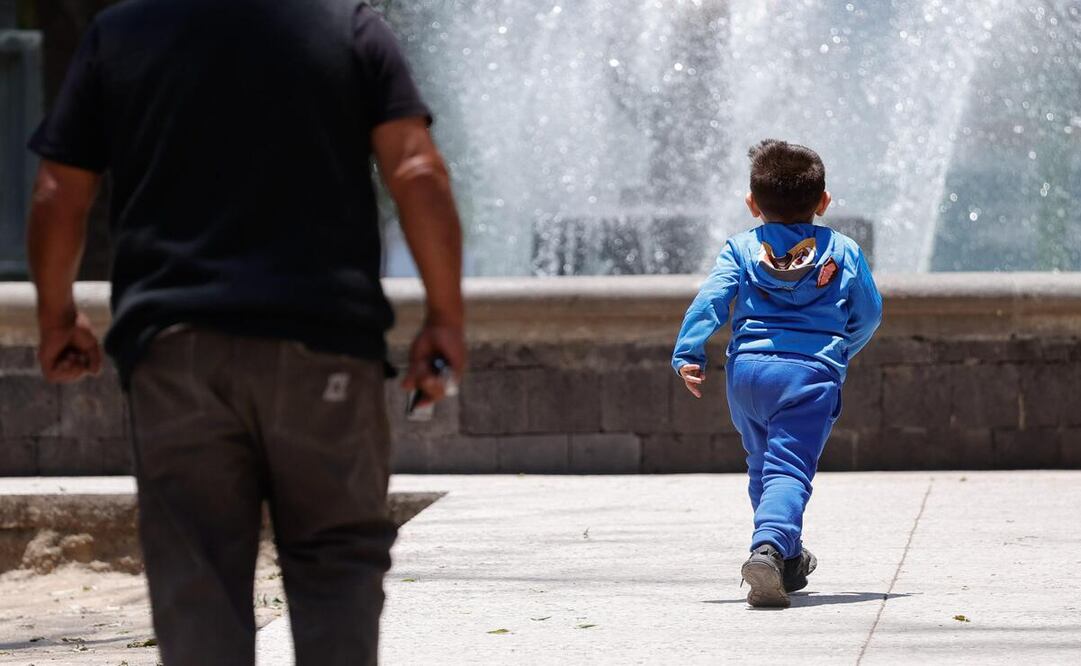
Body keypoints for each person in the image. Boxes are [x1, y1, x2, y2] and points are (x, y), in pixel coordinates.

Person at [25, 1, 464, 663]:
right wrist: (445, 317)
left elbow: (60, 189)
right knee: (337, 565)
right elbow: (417, 170)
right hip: (324, 348)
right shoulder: (348, 27)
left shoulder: (121, 33)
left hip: (176, 352)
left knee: (196, 578)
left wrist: (56, 315)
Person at [671, 139, 882, 608]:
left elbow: (710, 300)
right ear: (823, 202)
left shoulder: (741, 248)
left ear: (752, 204)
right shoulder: (842, 251)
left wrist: (689, 351)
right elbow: (868, 314)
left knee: (763, 465)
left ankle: (785, 558)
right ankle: (766, 548)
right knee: (789, 469)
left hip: (746, 375)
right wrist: (841, 351)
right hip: (807, 376)